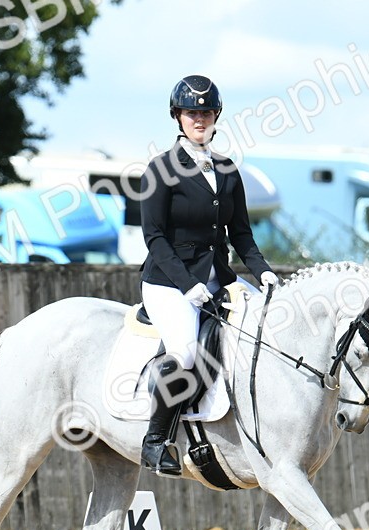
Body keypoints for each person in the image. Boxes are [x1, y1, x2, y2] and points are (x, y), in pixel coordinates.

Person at [138, 74, 278, 475]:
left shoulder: (228, 169)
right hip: (168, 283)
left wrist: (264, 273)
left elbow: (243, 235)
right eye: (190, 112)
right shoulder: (161, 168)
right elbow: (155, 238)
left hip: (220, 278)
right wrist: (188, 285)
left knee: (266, 330)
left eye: (205, 112)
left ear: (216, 116)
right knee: (183, 352)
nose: (199, 119)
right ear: (178, 117)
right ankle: (156, 441)